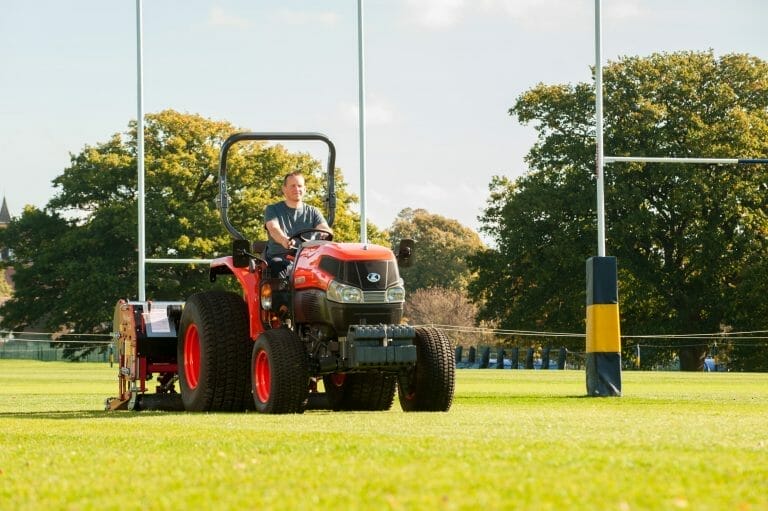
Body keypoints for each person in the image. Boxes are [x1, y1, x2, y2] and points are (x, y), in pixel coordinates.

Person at [264, 171, 332, 279]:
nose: (297, 189)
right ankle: (282, 296)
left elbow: (323, 227)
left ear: (304, 189)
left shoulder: (313, 211)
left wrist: (325, 234)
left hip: (307, 259)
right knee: (279, 267)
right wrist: (283, 240)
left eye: (299, 186)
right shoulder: (273, 209)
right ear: (284, 189)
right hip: (281, 256)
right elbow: (273, 228)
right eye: (292, 186)